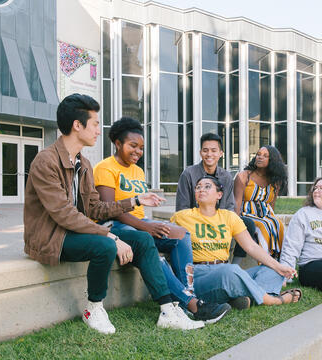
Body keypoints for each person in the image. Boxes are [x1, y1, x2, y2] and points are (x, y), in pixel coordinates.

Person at [24, 93, 207, 335]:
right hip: (52, 237)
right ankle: (94, 307)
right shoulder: (45, 161)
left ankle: (167, 309)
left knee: (142, 239)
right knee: (105, 246)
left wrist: (134, 200)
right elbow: (63, 214)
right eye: (96, 124)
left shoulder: (83, 163)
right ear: (77, 125)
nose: (99, 130)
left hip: (75, 232)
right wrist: (110, 236)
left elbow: (94, 208)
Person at [93, 117, 230, 323]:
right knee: (148, 247)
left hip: (138, 224)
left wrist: (148, 218)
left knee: (182, 235)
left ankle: (188, 297)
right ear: (117, 143)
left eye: (141, 148)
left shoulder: (138, 171)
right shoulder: (105, 168)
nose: (138, 152)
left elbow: (137, 207)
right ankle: (193, 305)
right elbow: (109, 209)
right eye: (133, 146)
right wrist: (146, 227)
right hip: (117, 227)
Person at [171, 175, 302, 308]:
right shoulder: (181, 217)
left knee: (272, 270)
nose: (201, 189)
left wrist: (278, 266)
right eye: (198, 187)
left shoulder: (229, 217)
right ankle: (273, 299)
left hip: (224, 268)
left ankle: (237, 297)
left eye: (207, 186)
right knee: (230, 271)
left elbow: (251, 246)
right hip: (198, 274)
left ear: (219, 195)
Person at [176, 133, 257, 266]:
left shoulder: (226, 176)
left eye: (214, 151)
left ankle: (234, 265)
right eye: (205, 150)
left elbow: (230, 207)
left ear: (221, 153)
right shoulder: (188, 174)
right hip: (195, 221)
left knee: (248, 224)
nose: (209, 154)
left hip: (220, 220)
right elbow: (181, 208)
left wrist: (222, 221)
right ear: (200, 153)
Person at [280, 177, 322, 298]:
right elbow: (291, 246)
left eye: (321, 188)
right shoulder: (304, 214)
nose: (316, 191)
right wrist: (284, 275)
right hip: (314, 264)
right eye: (315, 188)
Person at [234, 145, 288, 261]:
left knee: (279, 225)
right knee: (263, 225)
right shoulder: (244, 176)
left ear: (272, 160)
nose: (260, 157)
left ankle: (282, 261)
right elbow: (236, 201)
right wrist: (235, 222)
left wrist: (272, 217)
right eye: (258, 154)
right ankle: (266, 261)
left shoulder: (275, 180)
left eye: (265, 156)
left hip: (266, 214)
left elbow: (272, 204)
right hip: (247, 214)